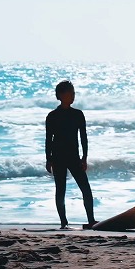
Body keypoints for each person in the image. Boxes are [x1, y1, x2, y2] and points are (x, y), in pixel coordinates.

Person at [45, 80, 97, 230]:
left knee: (85, 188)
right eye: (71, 93)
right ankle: (64, 222)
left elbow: (83, 138)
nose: (73, 96)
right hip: (58, 157)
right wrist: (48, 159)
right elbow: (49, 139)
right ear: (61, 95)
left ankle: (91, 220)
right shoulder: (52, 116)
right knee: (60, 190)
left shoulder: (78, 114)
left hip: (74, 157)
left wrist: (84, 157)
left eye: (74, 93)